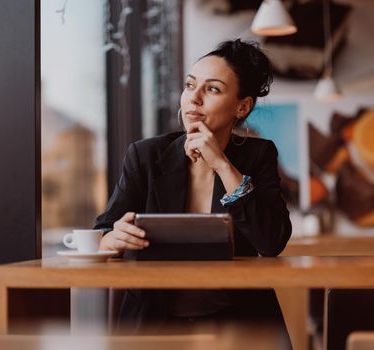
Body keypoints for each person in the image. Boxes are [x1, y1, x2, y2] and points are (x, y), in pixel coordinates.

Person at [94, 39, 292, 342]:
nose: (193, 99)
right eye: (190, 85)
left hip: (238, 327)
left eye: (212, 89)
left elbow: (272, 241)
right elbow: (103, 231)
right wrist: (112, 238)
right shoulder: (145, 155)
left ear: (242, 106)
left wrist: (223, 166)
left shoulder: (258, 155)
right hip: (154, 328)